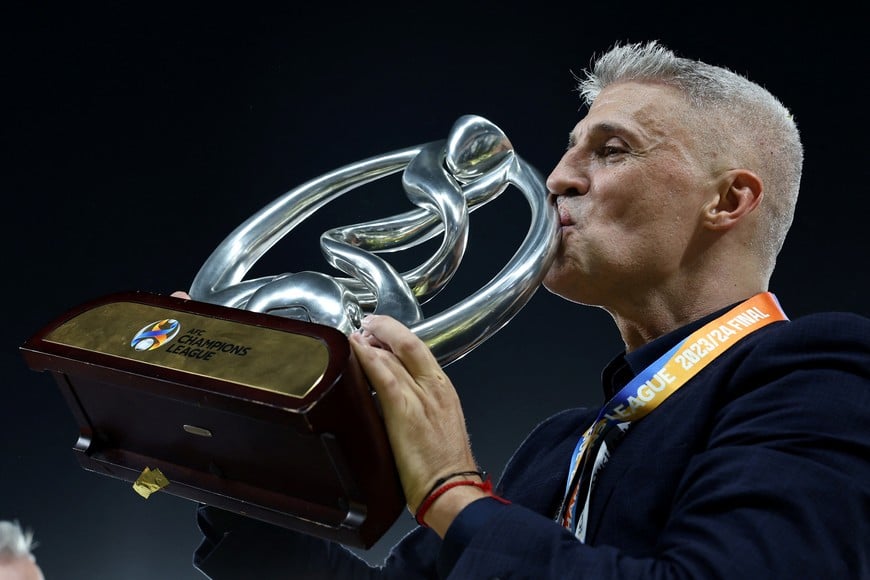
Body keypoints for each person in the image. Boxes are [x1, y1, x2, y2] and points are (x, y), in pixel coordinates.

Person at [188, 40, 870, 578]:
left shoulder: (821, 375)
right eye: (571, 150)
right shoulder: (557, 449)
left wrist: (451, 491)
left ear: (727, 200)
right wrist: (227, 457)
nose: (557, 179)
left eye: (611, 149)